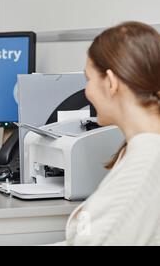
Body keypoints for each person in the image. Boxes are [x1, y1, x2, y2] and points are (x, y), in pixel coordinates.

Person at [64, 21, 160, 245]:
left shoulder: (146, 163)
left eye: (88, 79)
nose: (86, 90)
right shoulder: (139, 151)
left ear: (110, 82)